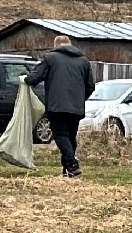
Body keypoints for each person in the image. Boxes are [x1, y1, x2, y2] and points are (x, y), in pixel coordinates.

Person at [25, 34, 96, 178]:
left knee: (61, 135)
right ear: (70, 45)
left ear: (55, 45)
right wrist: (80, 99)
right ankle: (68, 169)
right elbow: (90, 86)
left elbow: (33, 78)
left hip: (57, 105)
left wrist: (24, 79)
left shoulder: (50, 58)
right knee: (70, 137)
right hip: (76, 107)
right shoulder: (83, 61)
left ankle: (72, 164)